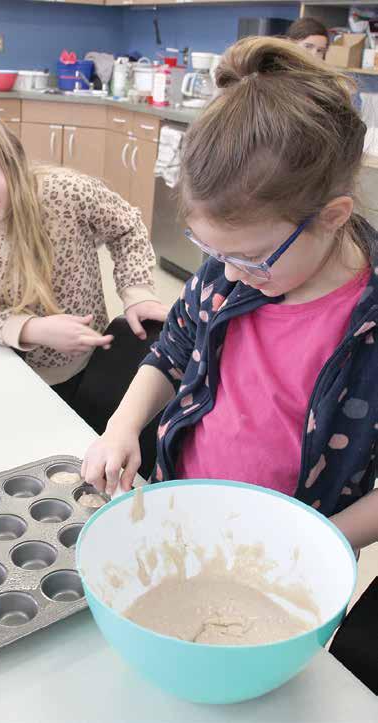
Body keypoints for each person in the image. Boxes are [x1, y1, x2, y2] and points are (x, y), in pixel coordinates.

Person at [83, 36, 378, 555]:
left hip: (298, 551)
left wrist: (315, 543)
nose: (231, 275)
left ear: (332, 217)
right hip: (185, 505)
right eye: (214, 252)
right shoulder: (229, 273)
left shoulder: (366, 320)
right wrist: (122, 426)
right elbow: (172, 352)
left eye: (253, 257)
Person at [0, 91, 168, 461]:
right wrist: (31, 330)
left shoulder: (66, 193)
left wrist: (137, 291)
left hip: (92, 366)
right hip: (11, 376)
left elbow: (127, 227)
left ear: (7, 153)